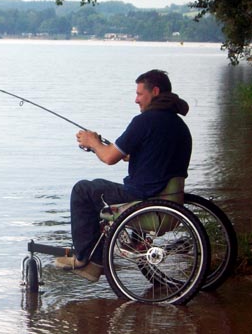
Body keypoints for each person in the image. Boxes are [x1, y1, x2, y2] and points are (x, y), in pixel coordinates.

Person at [55, 69, 192, 282]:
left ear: (154, 91)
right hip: (168, 199)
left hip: (142, 197)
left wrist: (92, 142)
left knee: (83, 190)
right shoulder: (178, 125)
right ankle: (97, 258)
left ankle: (86, 259)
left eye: (139, 94)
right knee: (95, 187)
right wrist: (106, 148)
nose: (135, 99)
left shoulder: (144, 121)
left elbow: (109, 158)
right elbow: (151, 157)